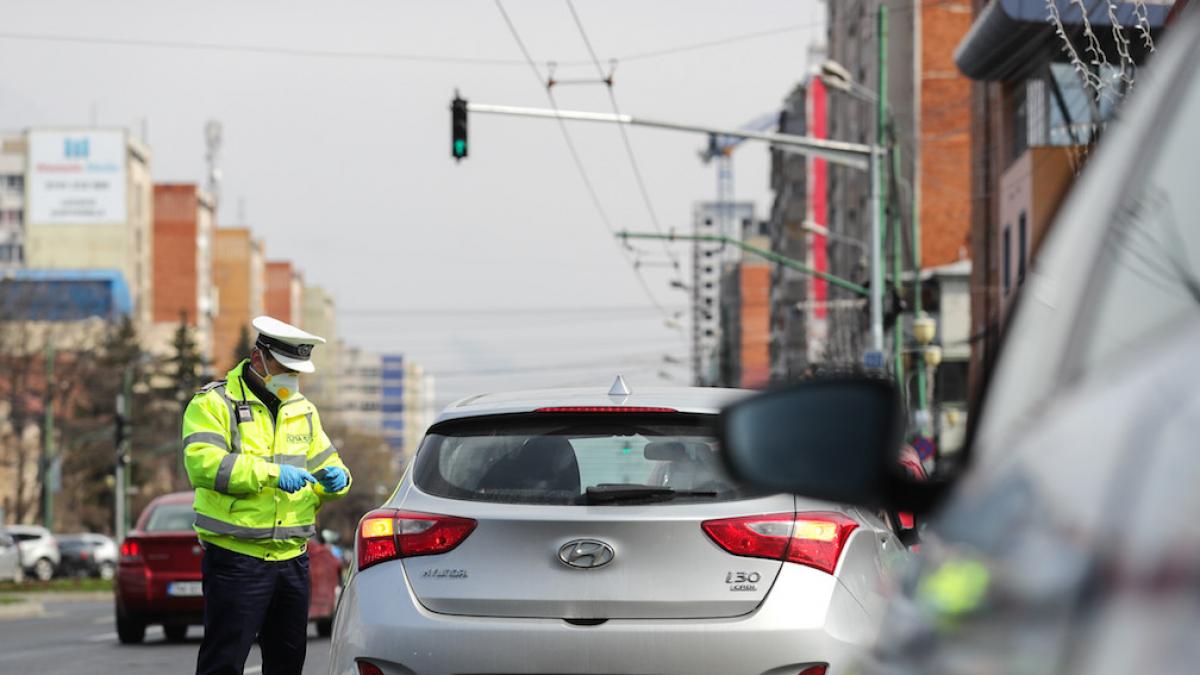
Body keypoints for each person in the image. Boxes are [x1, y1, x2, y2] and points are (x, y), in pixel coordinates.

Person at [183, 315, 352, 675]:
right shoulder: (214, 403)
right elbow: (204, 465)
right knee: (223, 663)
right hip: (237, 558)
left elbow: (328, 463)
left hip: (293, 559)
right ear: (259, 358)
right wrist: (272, 474)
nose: (292, 378)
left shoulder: (303, 411)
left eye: (296, 371)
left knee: (287, 664)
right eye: (285, 368)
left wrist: (339, 480)